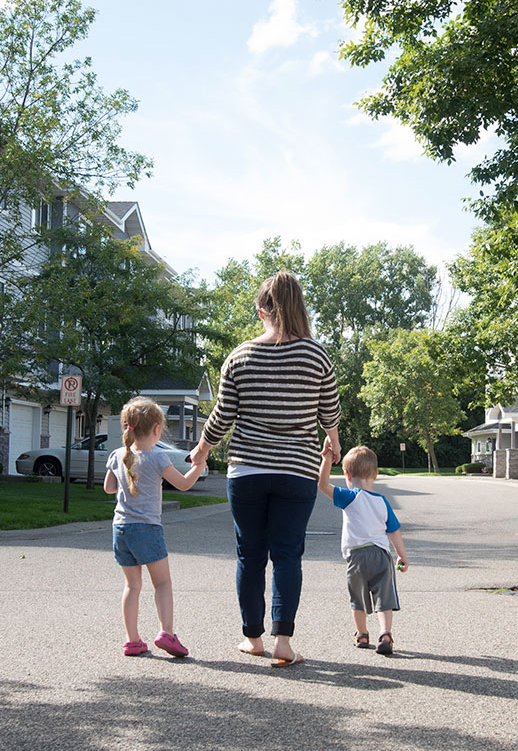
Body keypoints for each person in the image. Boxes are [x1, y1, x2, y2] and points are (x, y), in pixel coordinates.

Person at [190, 270, 341, 668]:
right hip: (297, 470)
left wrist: (203, 449)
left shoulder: (240, 357)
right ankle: (284, 644)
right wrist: (335, 441)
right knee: (288, 555)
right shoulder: (317, 355)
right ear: (300, 309)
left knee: (250, 555)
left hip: (248, 472)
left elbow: (223, 416)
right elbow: (330, 413)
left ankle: (253, 639)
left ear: (261, 312)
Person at [105, 396, 209, 658]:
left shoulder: (117, 455)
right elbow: (184, 484)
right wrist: (199, 466)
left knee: (132, 586)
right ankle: (167, 633)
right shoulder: (158, 457)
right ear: (156, 430)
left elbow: (109, 488)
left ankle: (132, 640)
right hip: (147, 529)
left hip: (121, 529)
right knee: (162, 583)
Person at [318, 444, 409, 656]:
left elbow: (322, 485)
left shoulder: (349, 497)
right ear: (376, 475)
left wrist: (326, 459)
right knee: (384, 598)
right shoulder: (383, 502)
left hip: (356, 557)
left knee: (358, 598)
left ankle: (362, 634)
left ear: (347, 475)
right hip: (381, 556)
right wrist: (402, 556)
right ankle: (385, 634)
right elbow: (393, 531)